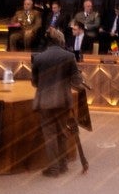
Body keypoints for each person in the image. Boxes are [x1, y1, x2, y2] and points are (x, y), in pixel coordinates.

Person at [31, 29, 86, 177]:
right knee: (62, 133)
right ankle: (62, 165)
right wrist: (78, 76)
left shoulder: (38, 58)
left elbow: (35, 83)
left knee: (50, 136)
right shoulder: (69, 56)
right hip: (62, 101)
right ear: (60, 40)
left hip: (45, 102)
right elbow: (77, 81)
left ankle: (54, 168)